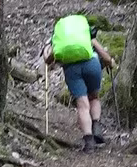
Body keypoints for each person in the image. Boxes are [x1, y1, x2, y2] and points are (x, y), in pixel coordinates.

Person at [43, 10, 116, 152]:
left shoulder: (59, 39)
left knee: (82, 105)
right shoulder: (85, 34)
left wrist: (47, 52)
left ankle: (89, 142)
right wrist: (110, 62)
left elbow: (49, 60)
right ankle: (96, 126)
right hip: (92, 64)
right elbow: (104, 56)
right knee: (94, 97)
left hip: (71, 69)